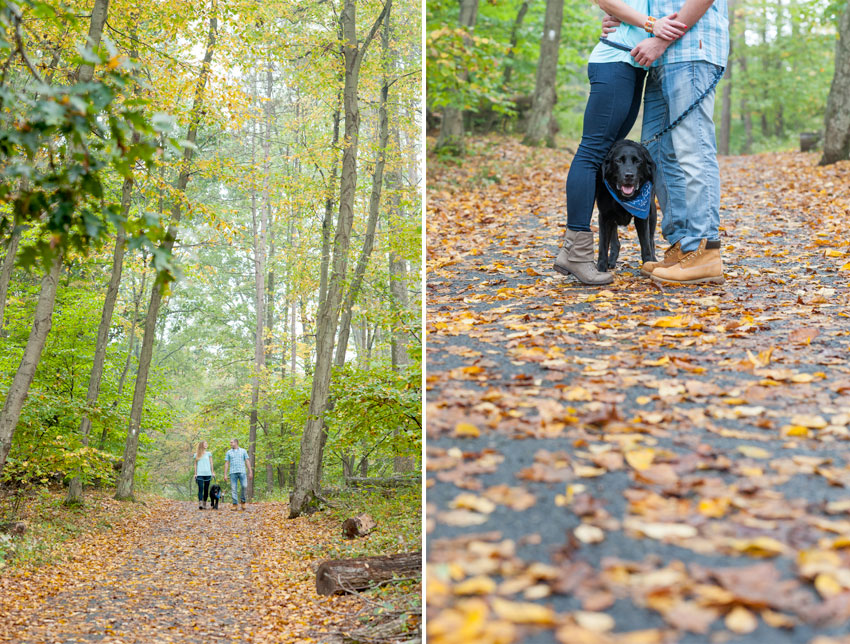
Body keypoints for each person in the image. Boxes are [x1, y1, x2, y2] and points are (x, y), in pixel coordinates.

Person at [554, 0, 686, 285]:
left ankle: (596, 251)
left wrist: (632, 21)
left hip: (631, 63)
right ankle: (576, 253)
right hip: (614, 62)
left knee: (605, 156)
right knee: (591, 154)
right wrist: (651, 24)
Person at [626, 0, 729, 283]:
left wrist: (660, 39)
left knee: (692, 150)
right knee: (655, 152)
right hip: (660, 58)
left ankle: (705, 250)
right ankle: (684, 246)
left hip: (690, 51)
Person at [224, 438, 252, 511]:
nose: (230, 444)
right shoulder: (229, 452)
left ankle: (243, 502)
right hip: (232, 472)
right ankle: (235, 504)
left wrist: (250, 472)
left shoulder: (243, 451)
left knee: (244, 486)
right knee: (234, 488)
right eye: (230, 442)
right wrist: (225, 474)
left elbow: (247, 461)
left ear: (236, 443)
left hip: (242, 472)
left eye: (231, 442)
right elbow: (227, 463)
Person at [193, 441, 215, 510]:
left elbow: (211, 463)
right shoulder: (196, 454)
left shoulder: (209, 454)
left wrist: (212, 472)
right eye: (205, 444)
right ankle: (200, 503)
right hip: (200, 474)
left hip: (208, 473)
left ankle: (204, 502)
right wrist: (195, 473)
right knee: (201, 488)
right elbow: (195, 464)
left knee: (206, 489)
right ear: (201, 445)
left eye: (206, 444)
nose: (206, 445)